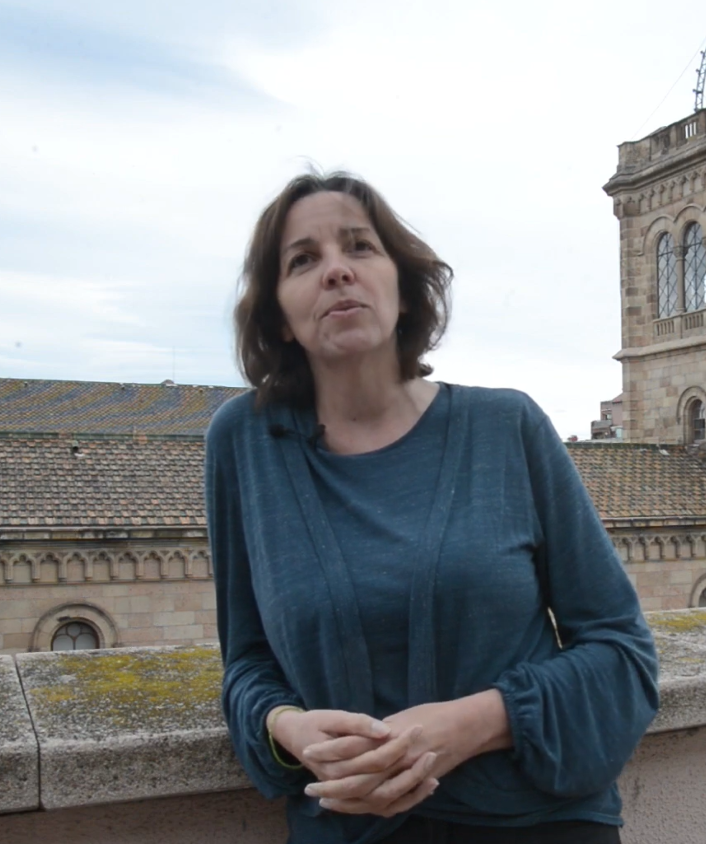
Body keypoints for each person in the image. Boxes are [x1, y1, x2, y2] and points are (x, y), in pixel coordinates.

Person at [204, 171, 660, 844]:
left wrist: (474, 723)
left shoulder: (507, 427)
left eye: (359, 247)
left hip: (534, 824)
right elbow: (246, 663)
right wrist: (287, 729)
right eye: (303, 260)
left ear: (401, 283)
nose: (336, 271)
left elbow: (623, 656)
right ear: (278, 313)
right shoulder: (244, 443)